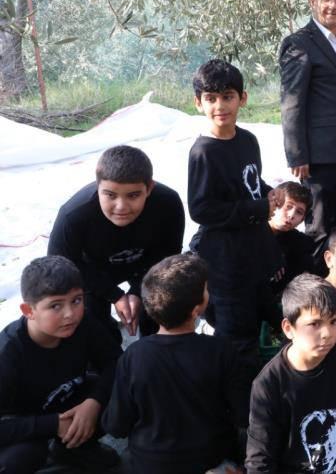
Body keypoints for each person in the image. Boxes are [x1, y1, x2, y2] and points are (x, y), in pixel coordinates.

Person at [102, 255, 248, 473]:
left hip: (151, 464)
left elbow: (116, 425)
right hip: (211, 460)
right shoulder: (221, 350)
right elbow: (244, 414)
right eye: (206, 290)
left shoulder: (134, 356)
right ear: (196, 310)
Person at [245, 274, 336, 473]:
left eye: (334, 321)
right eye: (314, 324)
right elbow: (260, 460)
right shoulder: (269, 384)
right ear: (288, 328)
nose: (327, 333)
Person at [47, 144, 184, 343]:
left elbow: (169, 253)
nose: (121, 207)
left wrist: (139, 291)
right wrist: (114, 295)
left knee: (163, 306)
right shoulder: (73, 215)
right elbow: (60, 266)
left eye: (133, 195)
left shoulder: (167, 203)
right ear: (97, 187)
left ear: (149, 188)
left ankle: (154, 349)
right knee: (91, 323)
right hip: (92, 270)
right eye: (110, 195)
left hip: (148, 264)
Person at [188, 59, 277, 362]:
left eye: (227, 97)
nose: (220, 106)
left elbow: (250, 182)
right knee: (237, 338)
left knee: (259, 320)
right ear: (198, 103)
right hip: (225, 262)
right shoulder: (204, 152)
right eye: (211, 98)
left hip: (252, 253)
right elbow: (201, 209)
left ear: (243, 98)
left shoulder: (248, 140)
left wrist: (270, 193)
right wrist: (259, 207)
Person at [0, 256, 121, 473]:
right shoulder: (8, 353)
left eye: (76, 300)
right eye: (55, 305)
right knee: (19, 458)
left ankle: (74, 449)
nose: (70, 314)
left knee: (123, 390)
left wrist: (94, 402)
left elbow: (116, 362)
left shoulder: (83, 323)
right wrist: (53, 424)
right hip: (24, 421)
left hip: (68, 397)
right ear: (28, 311)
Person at [280, 0, 336, 241]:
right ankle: (316, 271)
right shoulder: (299, 43)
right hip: (318, 157)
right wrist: (297, 155)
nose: (332, 5)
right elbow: (291, 102)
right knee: (319, 227)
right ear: (312, 0)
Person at [267, 181, 325, 289]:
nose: (291, 215)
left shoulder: (301, 244)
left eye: (299, 212)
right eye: (288, 206)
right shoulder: (250, 231)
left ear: (302, 220)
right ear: (275, 203)